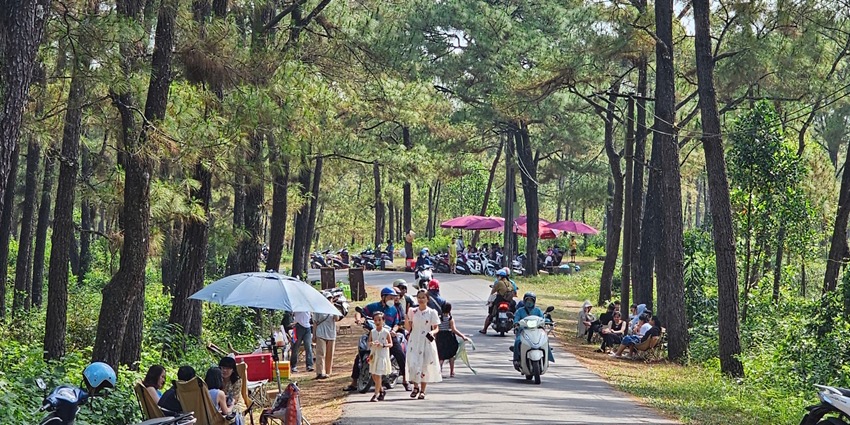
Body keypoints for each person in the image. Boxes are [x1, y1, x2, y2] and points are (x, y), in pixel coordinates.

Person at [344, 287, 409, 391]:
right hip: (373, 334)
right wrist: (358, 319)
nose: (392, 300)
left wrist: (394, 331)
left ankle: (406, 380)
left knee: (400, 354)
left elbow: (397, 323)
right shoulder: (373, 306)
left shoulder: (394, 309)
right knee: (360, 354)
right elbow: (360, 312)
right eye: (390, 297)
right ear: (383, 297)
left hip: (388, 335)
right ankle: (354, 383)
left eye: (393, 298)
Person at [406, 289, 442, 399]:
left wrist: (432, 332)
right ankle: (415, 386)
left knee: (424, 365)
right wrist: (406, 318)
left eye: (423, 297)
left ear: (427, 299)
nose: (421, 300)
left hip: (426, 341)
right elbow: (409, 328)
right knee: (413, 363)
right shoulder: (413, 311)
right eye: (419, 297)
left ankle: (422, 390)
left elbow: (436, 328)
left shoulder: (432, 312)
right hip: (414, 340)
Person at [512, 292, 554, 365]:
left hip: (537, 331)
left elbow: (542, 319)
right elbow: (516, 319)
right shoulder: (520, 311)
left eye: (531, 300)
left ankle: (547, 356)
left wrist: (547, 321)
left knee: (545, 340)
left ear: (534, 301)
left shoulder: (538, 310)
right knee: (517, 341)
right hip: (523, 331)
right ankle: (516, 359)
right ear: (524, 301)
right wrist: (516, 323)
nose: (529, 302)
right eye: (527, 300)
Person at [435, 302, 468, 377]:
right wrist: (462, 336)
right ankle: (452, 371)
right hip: (449, 337)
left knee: (441, 356)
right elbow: (454, 330)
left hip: (440, 337)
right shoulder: (450, 318)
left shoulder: (438, 318)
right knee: (451, 355)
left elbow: (436, 329)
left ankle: (439, 372)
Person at [313, 292, 339, 380]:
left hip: (331, 334)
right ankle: (320, 372)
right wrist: (314, 335)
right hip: (320, 333)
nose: (329, 300)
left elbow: (337, 319)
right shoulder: (318, 309)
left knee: (329, 354)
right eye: (328, 298)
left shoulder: (333, 308)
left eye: (330, 298)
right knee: (321, 353)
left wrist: (333, 308)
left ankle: (328, 372)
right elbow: (315, 322)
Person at [367, 312, 393, 402]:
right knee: (373, 374)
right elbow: (369, 342)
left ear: (383, 321)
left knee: (378, 375)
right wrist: (372, 343)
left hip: (382, 355)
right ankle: (381, 390)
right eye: (375, 320)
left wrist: (383, 345)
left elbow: (391, 344)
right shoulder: (372, 332)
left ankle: (376, 394)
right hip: (374, 355)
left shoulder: (386, 332)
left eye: (379, 320)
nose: (377, 322)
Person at [480, 269, 514, 334]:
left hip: (499, 300)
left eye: (498, 276)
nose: (497, 277)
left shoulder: (499, 283)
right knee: (513, 309)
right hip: (509, 301)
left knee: (491, 314)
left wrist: (489, 300)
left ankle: (484, 329)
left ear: (501, 276)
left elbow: (493, 292)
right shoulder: (509, 283)